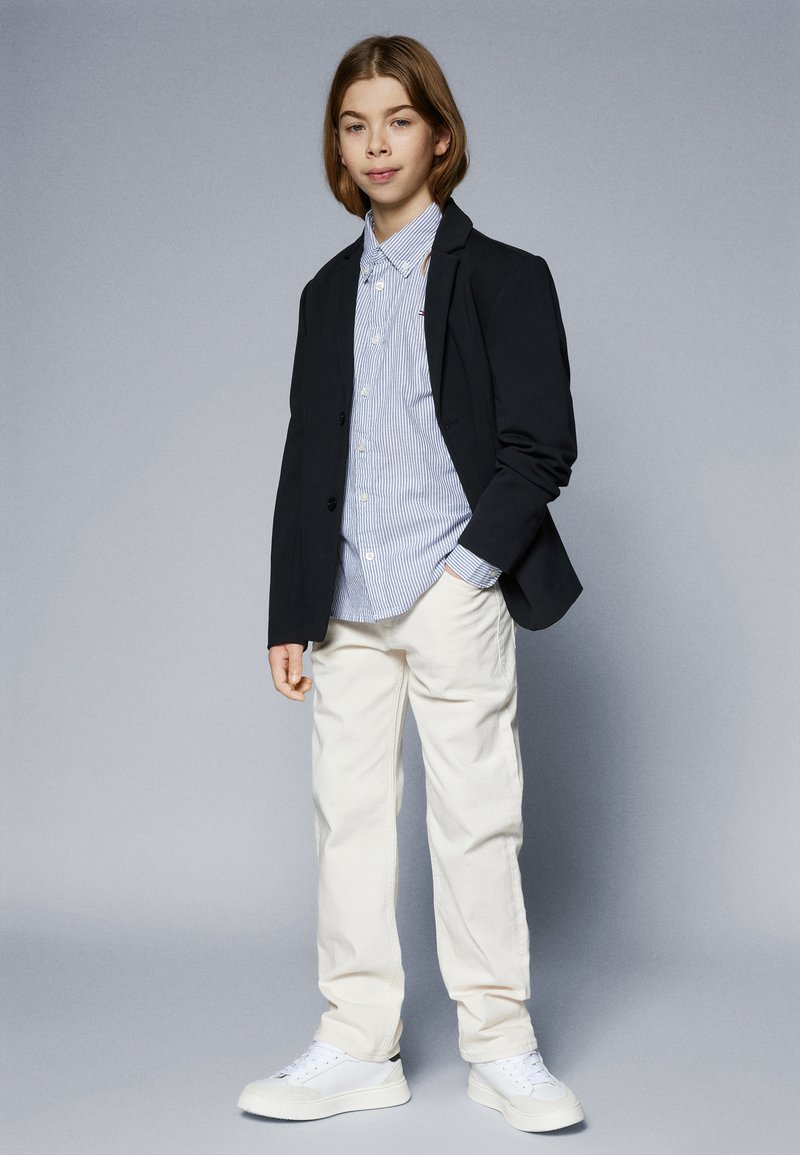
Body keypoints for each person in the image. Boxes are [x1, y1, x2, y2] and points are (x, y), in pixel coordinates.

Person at [237, 34, 585, 1134]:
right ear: (337, 146)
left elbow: (540, 446)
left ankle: (501, 1044)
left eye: (397, 119)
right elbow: (306, 456)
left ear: (439, 136)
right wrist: (289, 611)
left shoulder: (505, 277)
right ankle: (356, 1045)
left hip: (450, 586)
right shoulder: (322, 293)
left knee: (476, 818)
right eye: (354, 124)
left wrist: (467, 571)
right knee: (346, 824)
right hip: (343, 600)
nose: (375, 143)